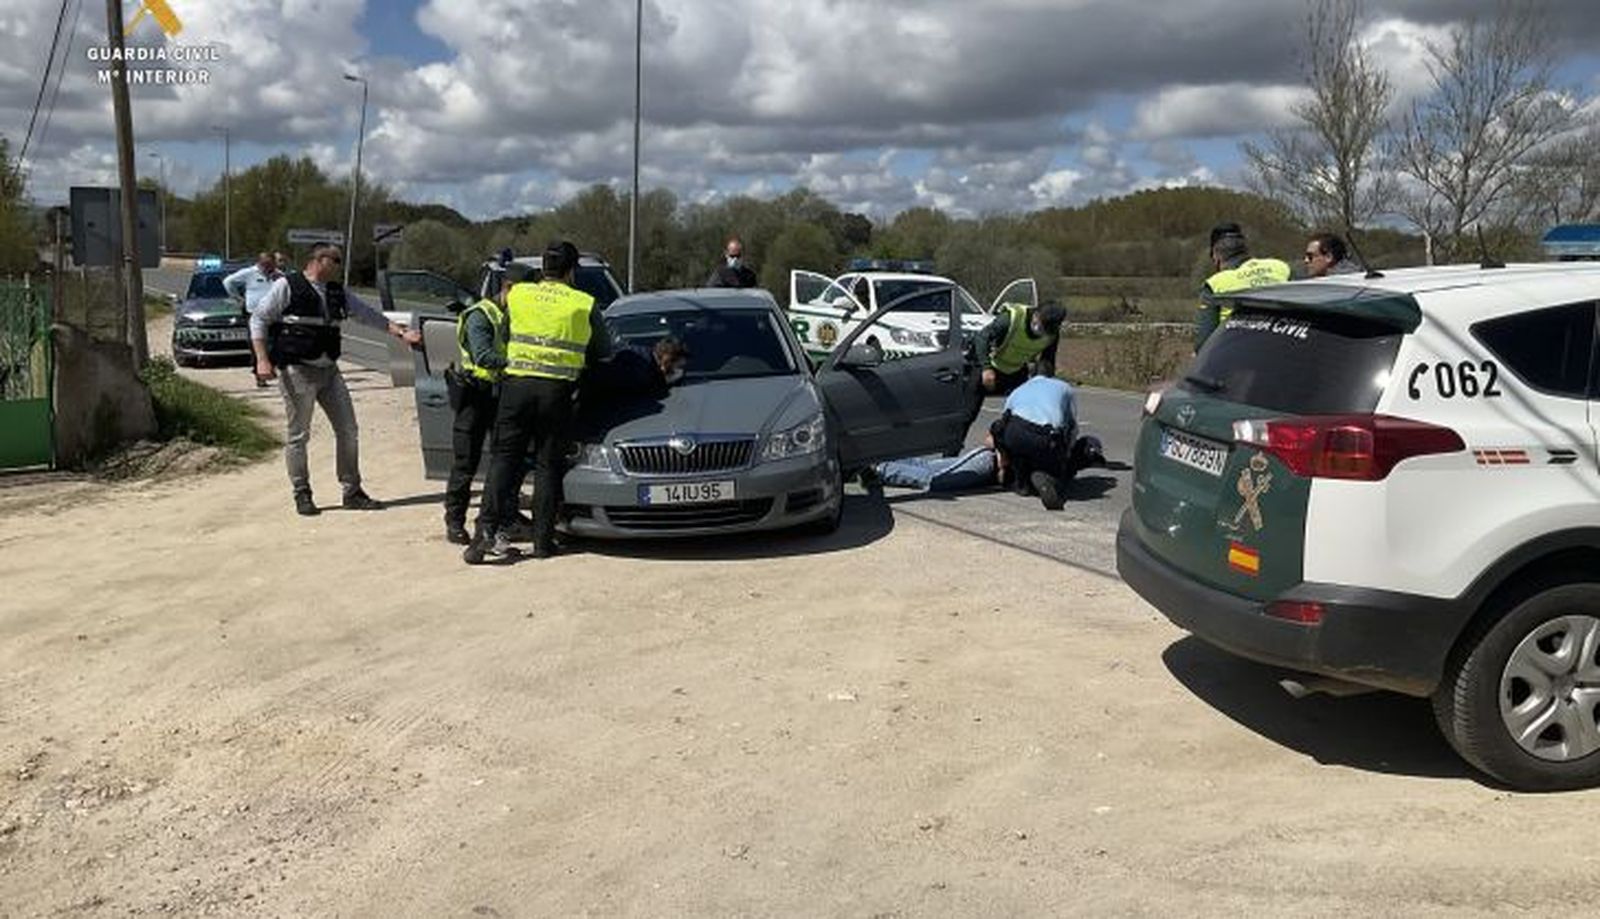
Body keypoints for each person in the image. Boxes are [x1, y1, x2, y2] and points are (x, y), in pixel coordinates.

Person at [465, 240, 610, 564]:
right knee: (547, 465)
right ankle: (543, 542)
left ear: (543, 268)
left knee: (503, 460)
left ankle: (483, 536)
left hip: (516, 388)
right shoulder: (583, 303)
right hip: (556, 393)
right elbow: (603, 351)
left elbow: (502, 340)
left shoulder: (517, 295)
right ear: (572, 271)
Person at [250, 244, 421, 516]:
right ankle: (302, 493)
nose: (340, 266)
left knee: (349, 430)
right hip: (297, 371)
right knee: (298, 435)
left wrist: (401, 333)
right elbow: (259, 318)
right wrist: (262, 360)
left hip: (329, 370)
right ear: (319, 260)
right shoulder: (288, 285)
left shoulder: (336, 291)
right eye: (337, 261)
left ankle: (352, 491)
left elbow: (367, 315)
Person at [442, 289, 509, 545]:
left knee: (502, 459)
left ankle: (500, 518)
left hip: (498, 395)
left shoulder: (507, 313)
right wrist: (518, 362)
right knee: (465, 462)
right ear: (508, 288)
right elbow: (482, 355)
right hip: (475, 395)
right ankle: (455, 521)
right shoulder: (480, 315)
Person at [988, 375, 1101, 511]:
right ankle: (1053, 480)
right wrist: (1064, 457)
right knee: (1083, 446)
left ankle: (1021, 481)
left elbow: (1002, 423)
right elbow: (1071, 427)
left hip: (1016, 432)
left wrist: (1002, 457)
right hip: (1045, 437)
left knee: (1005, 434)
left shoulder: (1019, 389)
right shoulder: (1065, 388)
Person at [1194, 222, 1291, 349]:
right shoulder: (1280, 267)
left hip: (1239, 355)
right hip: (1283, 348)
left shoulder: (1215, 284)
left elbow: (1204, 342)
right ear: (1245, 250)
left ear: (1216, 257)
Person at [973, 300, 1067, 395]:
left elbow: (1047, 360)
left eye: (1044, 329)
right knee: (971, 405)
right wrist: (986, 368)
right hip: (991, 366)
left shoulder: (1052, 335)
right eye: (1038, 324)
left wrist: (1043, 383)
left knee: (1022, 405)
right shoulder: (1012, 319)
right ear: (1036, 314)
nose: (1038, 330)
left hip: (1017, 371)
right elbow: (982, 338)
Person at [225, 252, 285, 387]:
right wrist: (238, 298)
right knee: (256, 346)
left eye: (271, 265)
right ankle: (260, 374)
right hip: (254, 315)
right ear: (259, 263)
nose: (268, 268)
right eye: (266, 265)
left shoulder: (278, 275)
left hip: (274, 315)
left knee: (275, 344)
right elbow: (228, 282)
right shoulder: (248, 273)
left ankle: (270, 367)